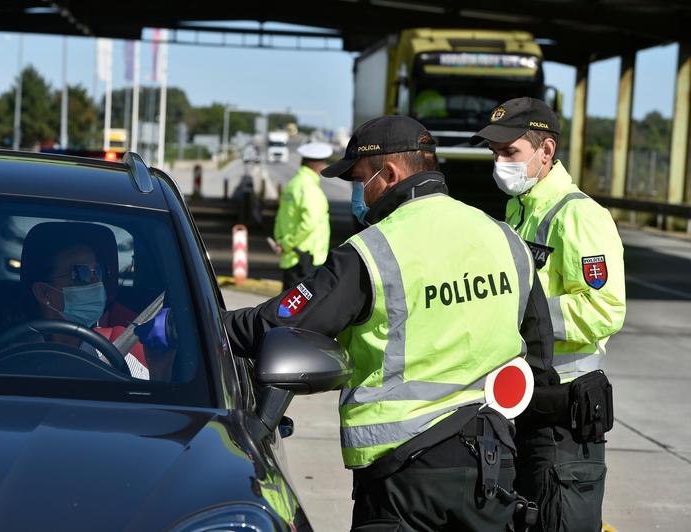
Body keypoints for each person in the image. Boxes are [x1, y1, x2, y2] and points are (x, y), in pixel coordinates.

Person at [226, 116, 555, 531]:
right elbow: (540, 354)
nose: (359, 194)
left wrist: (201, 324)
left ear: (392, 173)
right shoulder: (505, 238)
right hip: (493, 471)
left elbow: (279, 321)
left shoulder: (371, 251)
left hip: (403, 478)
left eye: (361, 179)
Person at [470, 97, 626, 532]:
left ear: (546, 151)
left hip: (564, 417)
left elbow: (605, 309)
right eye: (494, 153)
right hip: (521, 404)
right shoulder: (519, 210)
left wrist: (522, 314)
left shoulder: (579, 217)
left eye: (509, 152)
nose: (499, 162)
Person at [0, 222, 175, 381]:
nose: (94, 282)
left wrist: (160, 371)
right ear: (44, 293)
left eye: (97, 272)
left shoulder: (121, 360)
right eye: (79, 274)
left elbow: (152, 415)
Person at [273, 142, 332, 289]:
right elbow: (309, 223)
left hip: (291, 258)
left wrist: (280, 241)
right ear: (319, 165)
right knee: (305, 310)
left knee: (288, 307)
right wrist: (288, 244)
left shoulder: (292, 185)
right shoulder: (310, 189)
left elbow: (281, 218)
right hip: (305, 260)